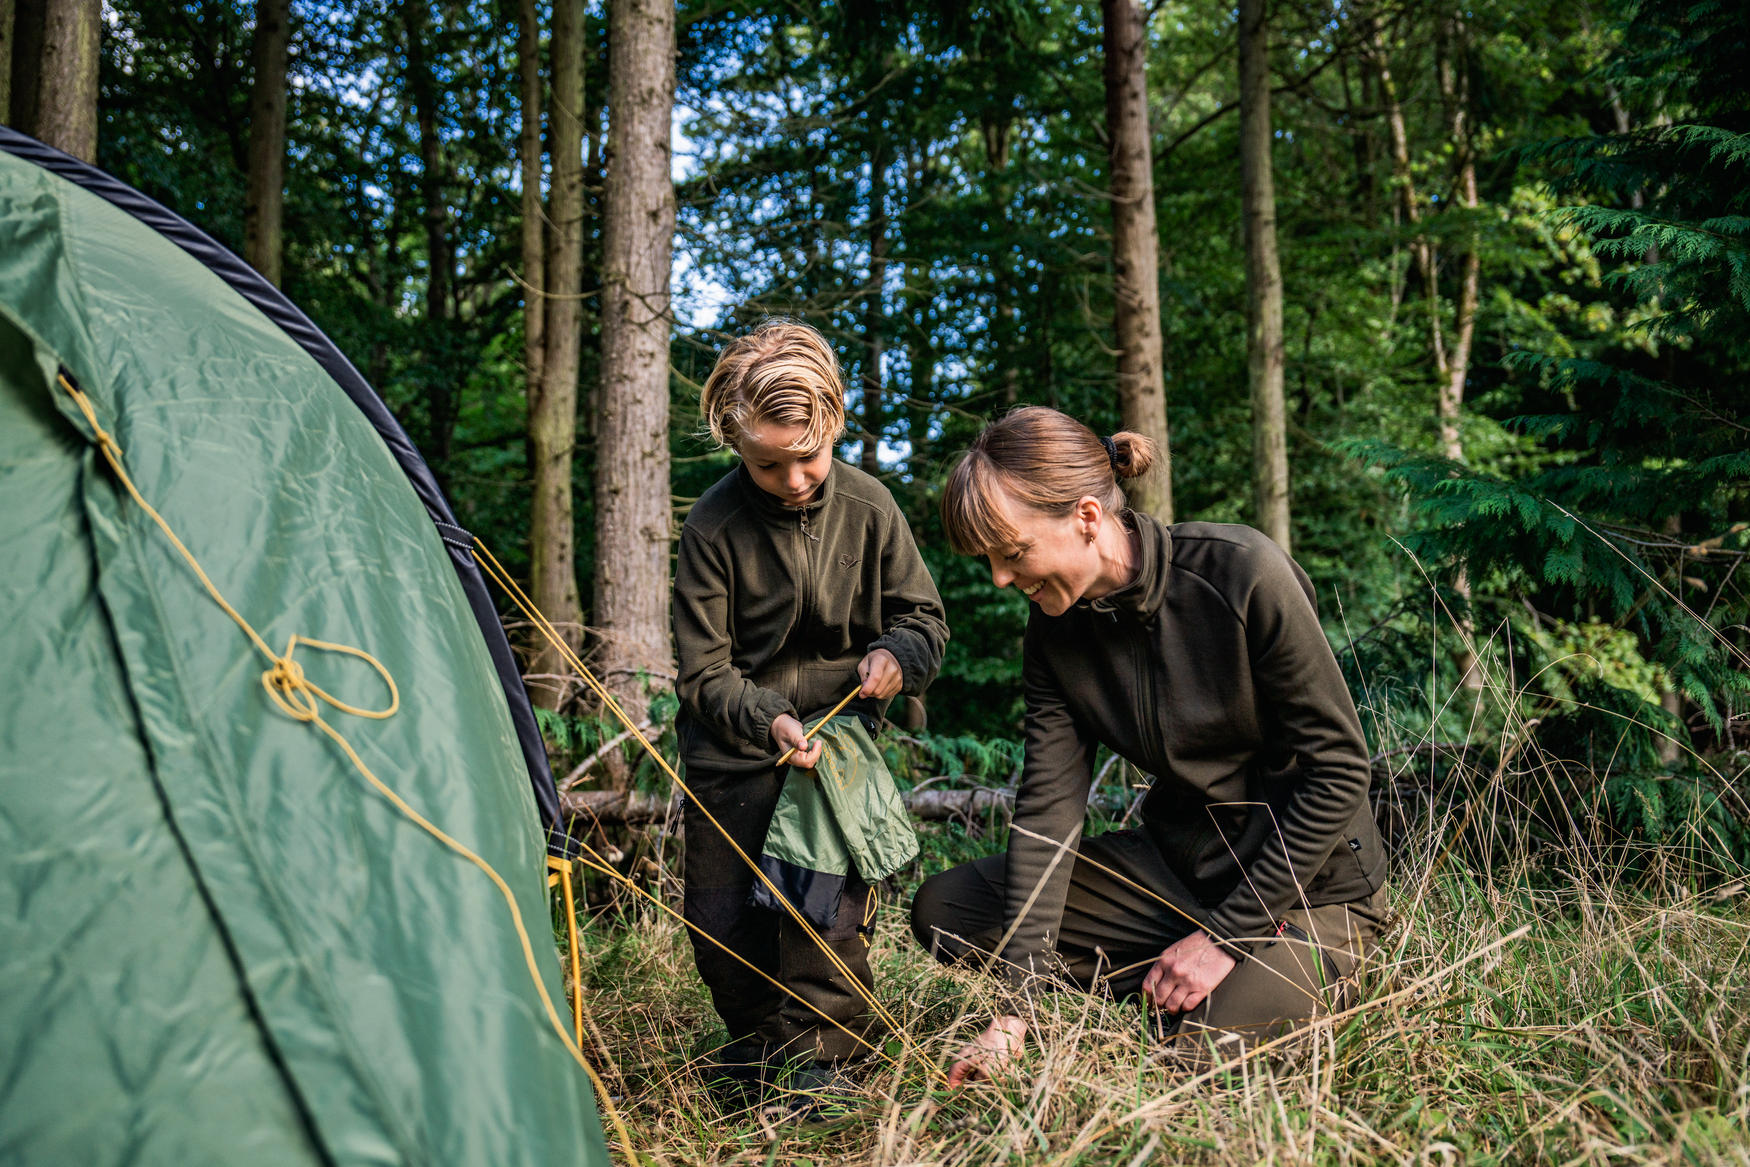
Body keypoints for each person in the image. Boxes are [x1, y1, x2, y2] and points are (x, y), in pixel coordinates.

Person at [910, 406, 1386, 1085]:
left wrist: (1229, 935)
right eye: (990, 560)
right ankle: (1176, 960)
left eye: (1012, 553)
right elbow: (1049, 809)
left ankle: (1245, 970)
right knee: (946, 908)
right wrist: (1016, 1008)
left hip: (1307, 891)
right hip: (1175, 874)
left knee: (1192, 1063)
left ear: (1085, 515)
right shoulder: (1053, 634)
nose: (1000, 579)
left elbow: (1340, 771)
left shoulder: (1241, 573)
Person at [673, 319, 948, 1107]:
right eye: (768, 464)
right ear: (735, 442)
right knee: (721, 929)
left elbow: (925, 618)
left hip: (839, 751)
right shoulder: (714, 525)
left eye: (809, 457)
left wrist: (898, 656)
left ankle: (826, 1062)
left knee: (820, 918)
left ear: (832, 424)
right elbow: (703, 671)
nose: (794, 480)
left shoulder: (870, 505)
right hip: (735, 753)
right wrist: (766, 719)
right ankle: (771, 1048)